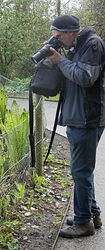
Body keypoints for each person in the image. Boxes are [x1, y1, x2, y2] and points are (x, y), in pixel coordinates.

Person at [47, 15, 105, 238]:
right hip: (77, 117)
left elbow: (84, 77)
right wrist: (57, 60)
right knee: (82, 171)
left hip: (87, 118)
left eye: (59, 37)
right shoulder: (76, 46)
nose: (58, 41)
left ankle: (83, 223)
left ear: (71, 32)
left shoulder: (93, 44)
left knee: (80, 171)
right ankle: (92, 214)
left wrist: (60, 61)